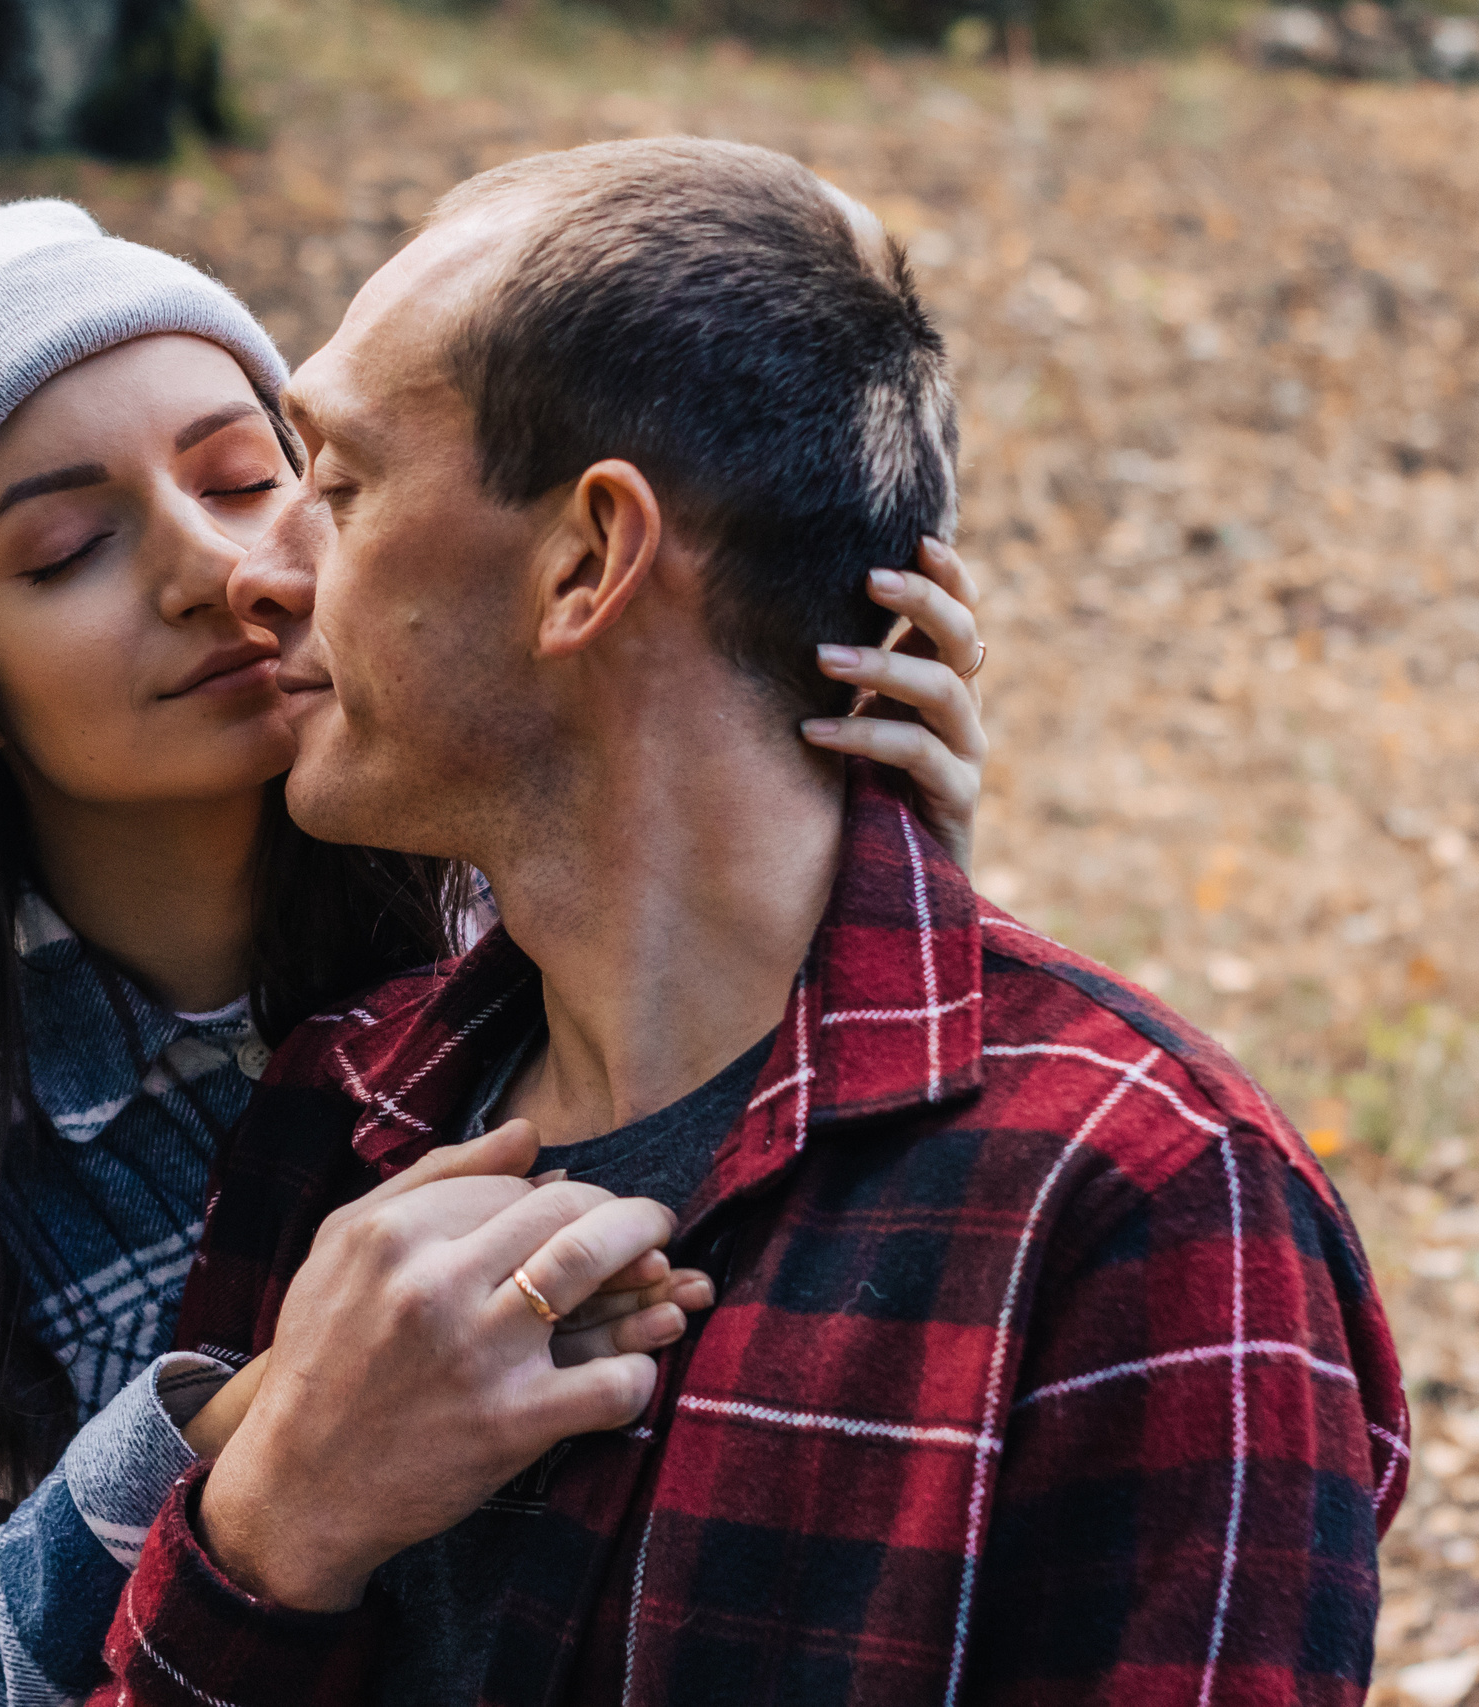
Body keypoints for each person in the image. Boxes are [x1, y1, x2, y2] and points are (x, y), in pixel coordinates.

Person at [97, 139, 1408, 1707]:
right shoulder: (343, 1111)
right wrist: (275, 1526)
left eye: (344, 484)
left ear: (587, 559)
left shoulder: (1141, 1202)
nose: (263, 572)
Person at [0, 200, 991, 1707]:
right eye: (70, 549)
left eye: (258, 478)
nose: (225, 571)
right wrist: (248, 1440)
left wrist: (857, 886)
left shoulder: (519, 899)